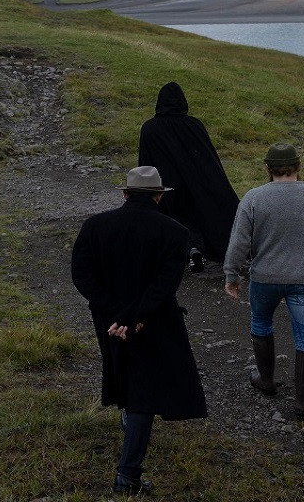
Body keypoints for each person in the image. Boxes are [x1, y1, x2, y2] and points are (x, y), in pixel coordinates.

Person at [71, 166, 208, 496]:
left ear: (125, 193)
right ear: (159, 195)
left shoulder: (95, 226)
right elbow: (165, 284)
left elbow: (82, 276)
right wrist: (135, 317)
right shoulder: (174, 231)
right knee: (143, 391)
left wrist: (115, 315)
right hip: (153, 320)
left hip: (109, 320)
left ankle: (129, 437)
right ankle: (127, 475)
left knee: (124, 374)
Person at [223, 143, 304, 419]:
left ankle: (266, 380)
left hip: (265, 277)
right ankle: (303, 402)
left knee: (261, 322)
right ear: (298, 166)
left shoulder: (254, 198)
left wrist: (232, 275)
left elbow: (239, 241)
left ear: (267, 168)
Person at [137, 82, 240, 272]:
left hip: (165, 185)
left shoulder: (150, 128)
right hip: (196, 183)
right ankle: (214, 250)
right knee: (201, 216)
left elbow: (145, 161)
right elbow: (209, 158)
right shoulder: (194, 125)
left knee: (171, 219)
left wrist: (144, 189)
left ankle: (188, 250)